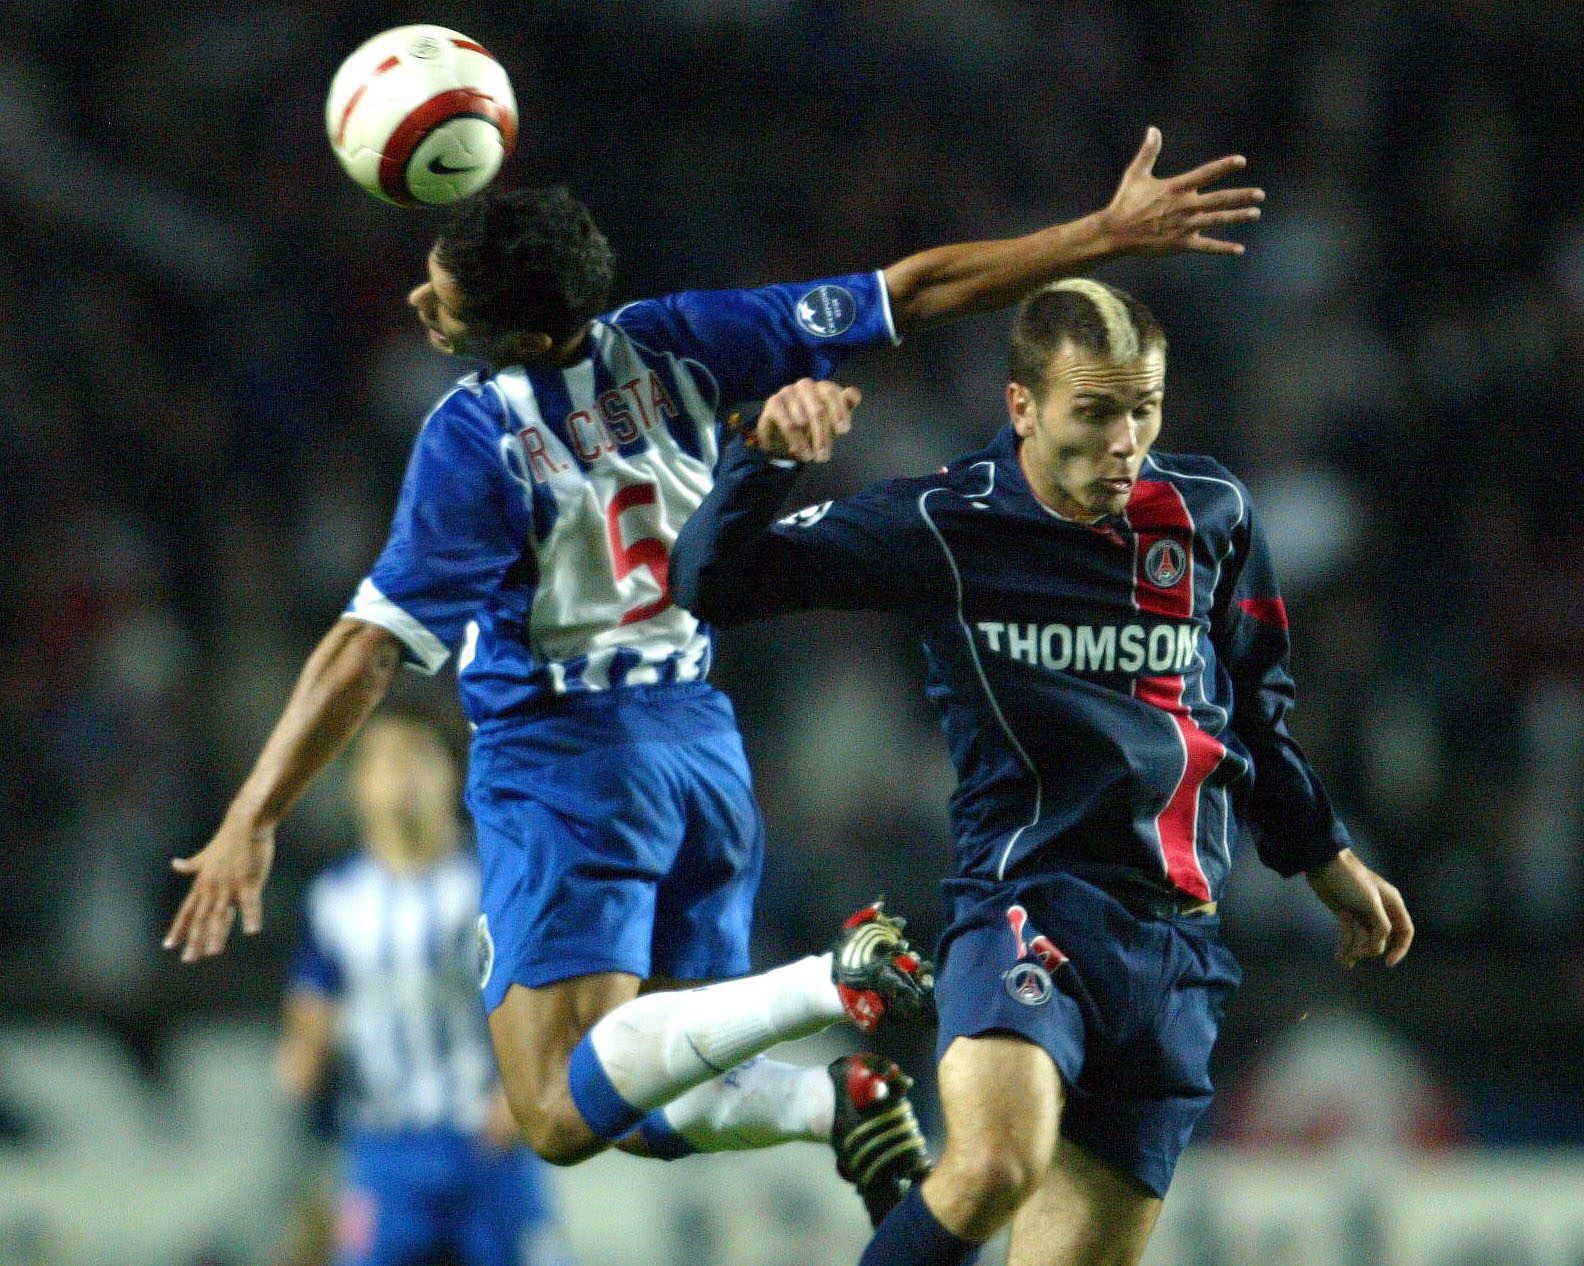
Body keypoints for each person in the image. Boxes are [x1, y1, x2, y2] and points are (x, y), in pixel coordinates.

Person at [162, 128, 1264, 1224]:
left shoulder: (474, 437)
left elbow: (365, 647)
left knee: (550, 1109)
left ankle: (824, 986)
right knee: (645, 1083)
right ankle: (836, 1094)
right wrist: (1102, 236)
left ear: (531, 334)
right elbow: (916, 290)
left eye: (446, 303)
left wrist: (256, 812)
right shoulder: (685, 338)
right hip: (699, 751)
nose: (421, 307)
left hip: (562, 762)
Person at [669, 279, 1415, 1266]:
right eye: (1096, 412)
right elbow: (711, 584)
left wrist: (1325, 855)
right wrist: (762, 458)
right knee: (992, 1165)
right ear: (1021, 405)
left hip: (1177, 950)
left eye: (1144, 409)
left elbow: (1254, 716)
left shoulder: (1213, 515)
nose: (1126, 442)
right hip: (1027, 903)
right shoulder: (943, 522)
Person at [275, 714, 572, 1266]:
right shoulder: (336, 898)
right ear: (358, 784)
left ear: (452, 773)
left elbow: (552, 1002)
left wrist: (523, 1092)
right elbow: (310, 1016)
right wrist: (303, 1068)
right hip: (385, 1152)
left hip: (488, 1146)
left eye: (417, 756)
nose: (402, 775)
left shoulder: (494, 883)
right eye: (385, 760)